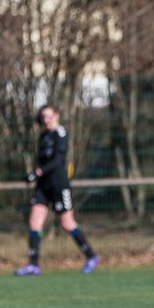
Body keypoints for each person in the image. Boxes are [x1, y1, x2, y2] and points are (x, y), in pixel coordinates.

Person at [14, 104, 99, 275]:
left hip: (59, 185)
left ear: (57, 115)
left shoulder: (61, 134)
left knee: (67, 223)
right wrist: (36, 174)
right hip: (43, 186)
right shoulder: (43, 135)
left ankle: (91, 256)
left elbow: (58, 160)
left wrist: (38, 172)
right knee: (34, 221)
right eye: (43, 116)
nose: (46, 119)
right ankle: (33, 264)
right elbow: (42, 160)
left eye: (49, 116)